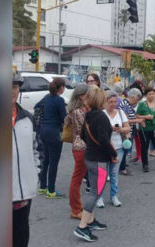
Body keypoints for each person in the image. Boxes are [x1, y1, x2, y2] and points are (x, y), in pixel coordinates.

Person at [73, 86, 118, 242]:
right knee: (95, 192)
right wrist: (113, 154)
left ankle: (91, 221)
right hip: (99, 161)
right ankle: (83, 226)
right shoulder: (102, 117)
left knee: (94, 190)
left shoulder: (89, 115)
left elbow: (84, 136)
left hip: (90, 157)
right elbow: (105, 140)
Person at [12, 74, 39, 247]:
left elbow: (37, 150)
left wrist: (34, 174)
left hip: (23, 192)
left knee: (21, 236)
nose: (11, 91)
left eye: (15, 86)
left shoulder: (28, 118)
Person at [97, 91, 130, 207]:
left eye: (114, 102)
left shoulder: (120, 113)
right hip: (104, 148)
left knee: (114, 173)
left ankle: (114, 196)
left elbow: (128, 128)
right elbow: (98, 131)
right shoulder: (102, 114)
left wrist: (121, 129)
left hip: (118, 147)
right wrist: (109, 128)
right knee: (102, 174)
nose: (112, 104)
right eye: (110, 102)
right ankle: (99, 197)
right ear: (105, 102)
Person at [38, 78, 67, 198]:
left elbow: (36, 106)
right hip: (54, 132)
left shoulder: (46, 97)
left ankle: (43, 187)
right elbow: (64, 118)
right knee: (54, 162)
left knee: (46, 160)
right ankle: (51, 190)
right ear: (61, 88)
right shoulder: (59, 100)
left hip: (43, 131)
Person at [66, 84, 89, 220]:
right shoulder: (79, 111)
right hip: (81, 147)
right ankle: (75, 209)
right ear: (81, 96)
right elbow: (86, 128)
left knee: (78, 178)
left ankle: (77, 205)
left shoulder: (72, 110)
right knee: (77, 179)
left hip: (78, 146)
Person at [137, 87, 155, 172]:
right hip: (145, 128)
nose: (151, 96)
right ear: (146, 95)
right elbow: (137, 116)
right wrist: (146, 117)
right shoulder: (142, 104)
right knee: (144, 146)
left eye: (153, 94)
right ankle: (145, 164)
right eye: (149, 94)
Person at [118, 88, 144, 175]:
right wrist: (137, 121)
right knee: (125, 149)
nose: (136, 102)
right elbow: (125, 120)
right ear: (132, 97)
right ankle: (122, 168)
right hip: (126, 132)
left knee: (126, 149)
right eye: (136, 100)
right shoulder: (125, 104)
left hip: (128, 130)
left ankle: (123, 165)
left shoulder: (128, 104)